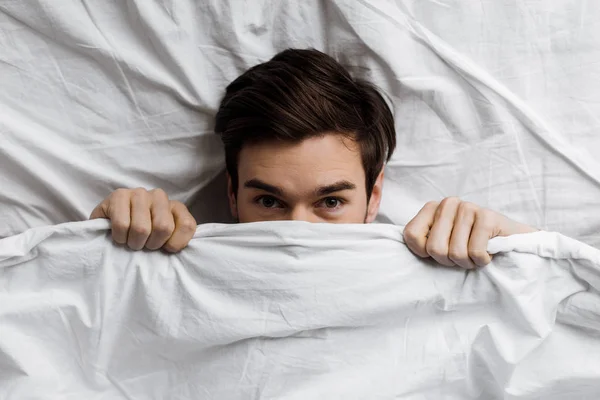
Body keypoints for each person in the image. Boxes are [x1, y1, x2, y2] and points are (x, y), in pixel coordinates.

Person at [90, 49, 537, 270]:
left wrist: (523, 247)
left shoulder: (436, 273)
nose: (297, 231)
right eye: (268, 201)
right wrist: (100, 244)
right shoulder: (167, 272)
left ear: (373, 194)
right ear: (231, 193)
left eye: (331, 202)